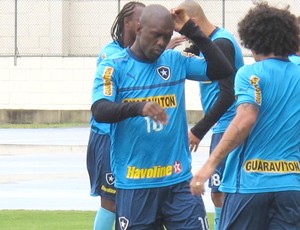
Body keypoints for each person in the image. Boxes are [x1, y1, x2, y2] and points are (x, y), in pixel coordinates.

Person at [91, 4, 233, 229]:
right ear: (139, 29)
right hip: (135, 184)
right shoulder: (114, 67)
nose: (160, 42)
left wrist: (192, 30)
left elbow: (222, 70)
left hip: (179, 182)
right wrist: (137, 108)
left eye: (166, 36)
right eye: (155, 35)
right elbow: (99, 110)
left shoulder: (175, 61)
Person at [190, 3, 300, 230]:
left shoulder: (251, 74)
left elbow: (245, 119)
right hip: (291, 186)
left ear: (252, 38)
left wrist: (210, 163)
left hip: (249, 185)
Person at [178, 1, 244, 229]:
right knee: (221, 192)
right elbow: (199, 50)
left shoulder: (222, 43)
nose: (186, 36)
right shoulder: (210, 42)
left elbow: (228, 95)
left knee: (221, 193)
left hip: (228, 125)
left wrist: (198, 130)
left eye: (186, 29)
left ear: (194, 24)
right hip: (223, 125)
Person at [86, 2, 145, 230]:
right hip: (105, 138)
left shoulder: (138, 53)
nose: (143, 24)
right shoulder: (110, 53)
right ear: (126, 22)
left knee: (128, 202)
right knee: (110, 202)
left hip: (125, 138)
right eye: (140, 19)